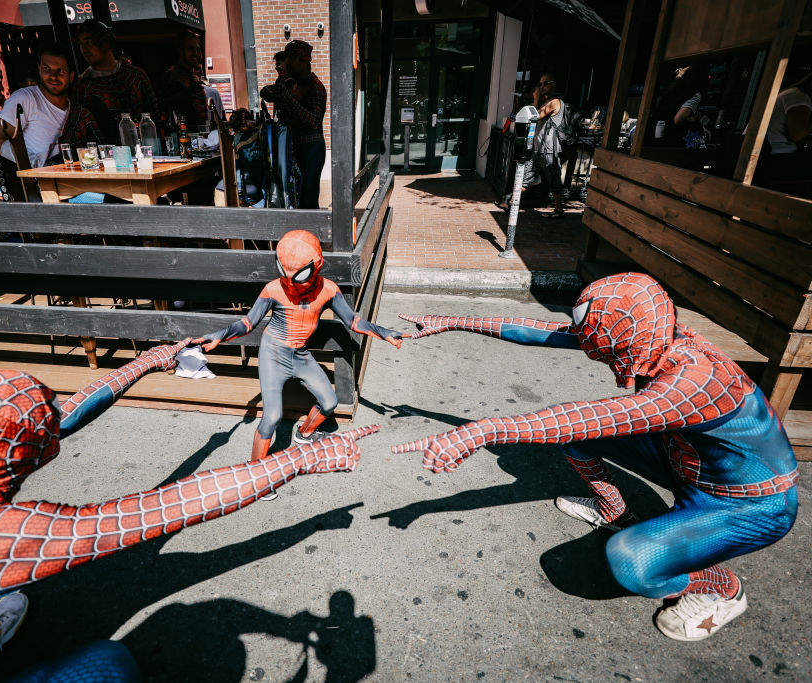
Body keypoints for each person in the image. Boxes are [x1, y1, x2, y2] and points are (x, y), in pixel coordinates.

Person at [0, 338, 378, 681]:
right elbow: (165, 508)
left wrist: (144, 364)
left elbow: (60, 418)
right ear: (23, 453)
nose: (54, 424)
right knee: (109, 665)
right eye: (40, 430)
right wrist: (297, 462)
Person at [394, 272, 798, 642]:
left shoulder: (694, 381)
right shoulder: (658, 334)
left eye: (606, 353)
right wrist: (453, 321)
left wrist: (483, 430)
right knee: (575, 439)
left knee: (631, 562)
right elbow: (545, 333)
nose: (603, 360)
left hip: (753, 506)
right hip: (687, 465)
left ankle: (721, 587)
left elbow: (596, 416)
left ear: (627, 342)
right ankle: (617, 512)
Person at [190, 230, 406, 499]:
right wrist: (219, 336)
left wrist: (383, 331)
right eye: (285, 272)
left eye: (299, 275)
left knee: (329, 401)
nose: (291, 282)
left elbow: (353, 321)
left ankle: (304, 435)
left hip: (300, 355)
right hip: (273, 354)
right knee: (272, 417)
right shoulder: (273, 289)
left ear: (317, 267)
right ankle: (255, 475)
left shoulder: (328, 290)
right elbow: (248, 323)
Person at [0, 43, 101, 168]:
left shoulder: (80, 114)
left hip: (74, 181)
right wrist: (34, 165)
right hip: (39, 182)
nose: (53, 76)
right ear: (39, 69)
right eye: (46, 69)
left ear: (71, 77)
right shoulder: (25, 98)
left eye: (60, 71)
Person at [260, 40, 327, 209]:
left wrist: (288, 99)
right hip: (294, 147)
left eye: (291, 62)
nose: (287, 66)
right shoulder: (290, 83)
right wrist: (277, 90)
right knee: (293, 196)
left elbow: (314, 121)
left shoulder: (315, 86)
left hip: (312, 148)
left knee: (308, 199)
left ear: (303, 61)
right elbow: (266, 93)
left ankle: (310, 234)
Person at [73, 19, 160, 144]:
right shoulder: (83, 87)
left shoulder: (136, 75)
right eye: (81, 44)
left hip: (147, 150)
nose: (84, 49)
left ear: (105, 43)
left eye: (89, 42)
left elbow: (155, 116)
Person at [498, 72, 566, 218]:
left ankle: (559, 209)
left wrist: (535, 98)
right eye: (540, 84)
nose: (541, 87)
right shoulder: (546, 101)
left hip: (548, 149)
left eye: (545, 83)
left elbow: (534, 116)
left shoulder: (555, 101)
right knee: (526, 176)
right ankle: (511, 201)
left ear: (553, 84)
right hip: (536, 147)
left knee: (553, 178)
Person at [754, 67, 812, 189]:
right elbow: (797, 134)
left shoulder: (789, 93)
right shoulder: (799, 97)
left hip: (766, 157)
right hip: (779, 160)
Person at [160, 31, 209, 128]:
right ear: (181, 50)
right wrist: (187, 92)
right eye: (190, 49)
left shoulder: (194, 75)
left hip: (201, 132)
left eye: (197, 49)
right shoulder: (171, 75)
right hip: (183, 133)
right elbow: (163, 105)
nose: (195, 53)